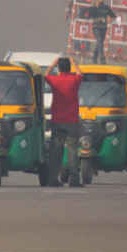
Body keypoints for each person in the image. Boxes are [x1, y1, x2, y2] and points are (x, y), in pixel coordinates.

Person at [45, 56, 84, 187]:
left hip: (57, 121)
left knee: (56, 152)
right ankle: (74, 180)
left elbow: (45, 75)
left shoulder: (55, 80)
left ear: (59, 68)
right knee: (72, 151)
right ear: (69, 67)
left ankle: (53, 179)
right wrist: (74, 62)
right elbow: (80, 73)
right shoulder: (75, 80)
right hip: (72, 121)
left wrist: (52, 64)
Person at [87, 0, 117, 64]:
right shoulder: (92, 7)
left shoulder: (106, 7)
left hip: (103, 27)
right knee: (99, 41)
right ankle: (102, 59)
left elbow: (111, 13)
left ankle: (94, 56)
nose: (102, 0)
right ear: (97, 0)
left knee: (99, 43)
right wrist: (98, 9)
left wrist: (116, 16)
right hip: (96, 27)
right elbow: (91, 14)